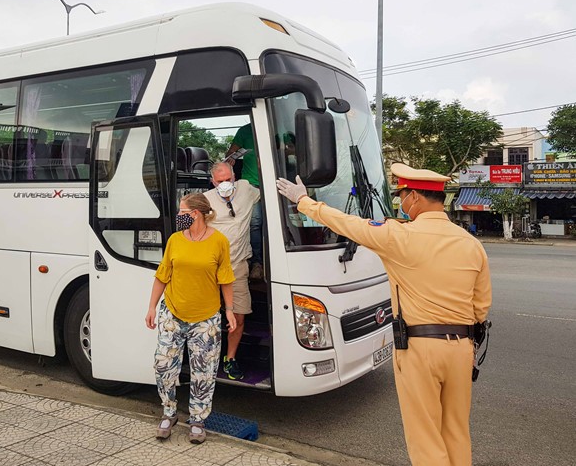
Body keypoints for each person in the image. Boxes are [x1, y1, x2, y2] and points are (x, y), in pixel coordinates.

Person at [276, 163, 492, 466]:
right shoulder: (472, 244)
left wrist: (303, 201)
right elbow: (481, 306)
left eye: (401, 195)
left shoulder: (399, 236)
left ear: (414, 197)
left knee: (426, 436)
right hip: (462, 348)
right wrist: (469, 347)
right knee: (456, 430)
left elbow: (347, 223)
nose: (400, 202)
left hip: (421, 350)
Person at [145, 193, 237, 445]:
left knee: (203, 372)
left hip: (205, 319)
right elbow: (162, 275)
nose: (178, 216)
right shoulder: (175, 240)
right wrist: (152, 307)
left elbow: (225, 278)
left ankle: (197, 420)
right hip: (173, 313)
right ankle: (169, 412)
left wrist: (229, 309)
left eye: (182, 212)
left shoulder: (219, 241)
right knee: (163, 365)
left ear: (195, 214)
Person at [204, 162, 260, 380]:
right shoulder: (205, 200)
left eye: (229, 179)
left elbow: (269, 195)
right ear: (212, 182)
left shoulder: (246, 189)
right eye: (220, 181)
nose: (226, 185)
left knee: (238, 316)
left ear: (235, 177)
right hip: (209, 270)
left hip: (237, 267)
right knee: (206, 317)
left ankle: (230, 358)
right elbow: (187, 225)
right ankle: (206, 357)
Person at [226, 123, 263, 279]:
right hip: (251, 183)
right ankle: (257, 263)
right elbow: (229, 154)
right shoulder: (244, 130)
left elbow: (293, 150)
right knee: (254, 223)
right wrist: (230, 159)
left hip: (275, 182)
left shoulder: (279, 122)